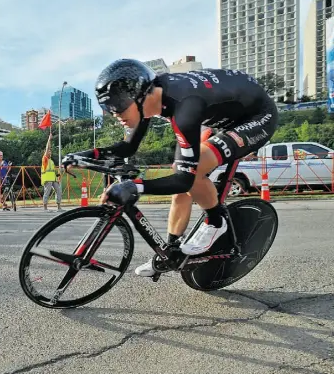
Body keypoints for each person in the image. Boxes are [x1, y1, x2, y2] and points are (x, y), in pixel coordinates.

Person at [64, 59, 278, 277]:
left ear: (140, 96)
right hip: (224, 115)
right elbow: (128, 147)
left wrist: (134, 187)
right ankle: (170, 252)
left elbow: (185, 178)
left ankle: (216, 221)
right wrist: (88, 155)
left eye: (118, 106)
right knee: (182, 172)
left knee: (192, 172)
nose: (115, 114)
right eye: (109, 108)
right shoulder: (150, 98)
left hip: (257, 117)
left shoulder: (184, 107)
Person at [41, 134, 62, 211]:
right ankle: (45, 208)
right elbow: (47, 149)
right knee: (47, 193)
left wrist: (58, 177)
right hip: (47, 179)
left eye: (50, 151)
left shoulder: (51, 161)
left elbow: (53, 171)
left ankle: (59, 207)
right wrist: (49, 140)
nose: (50, 152)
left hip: (53, 179)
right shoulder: (44, 159)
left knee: (59, 191)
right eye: (48, 151)